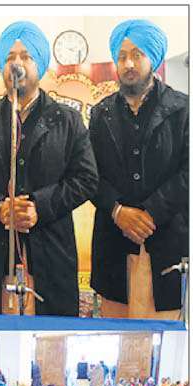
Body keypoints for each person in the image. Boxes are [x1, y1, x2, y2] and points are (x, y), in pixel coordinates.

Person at [0, 20, 98, 315]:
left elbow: (86, 179)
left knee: (51, 339)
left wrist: (38, 207)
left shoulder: (68, 120)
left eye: (26, 56)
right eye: (10, 58)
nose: (17, 64)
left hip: (52, 248)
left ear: (40, 65)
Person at [90, 19, 188, 319]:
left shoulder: (183, 109)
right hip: (114, 241)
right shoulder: (100, 113)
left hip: (167, 239)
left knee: (164, 332)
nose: (128, 64)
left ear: (153, 59)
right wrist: (118, 211)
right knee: (115, 333)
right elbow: (88, 174)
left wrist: (150, 212)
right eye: (121, 57)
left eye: (137, 54)